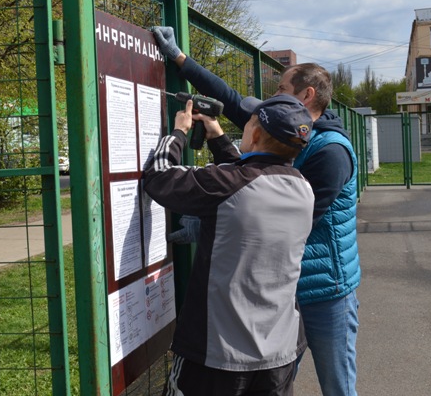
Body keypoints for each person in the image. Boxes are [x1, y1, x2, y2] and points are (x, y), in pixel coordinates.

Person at [152, 26, 361, 396]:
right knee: (268, 373)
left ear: (306, 94)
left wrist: (210, 222)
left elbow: (261, 203)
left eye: (280, 89)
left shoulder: (331, 153)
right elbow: (238, 119)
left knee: (337, 385)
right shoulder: (291, 139)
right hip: (278, 297)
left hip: (325, 291)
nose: (271, 96)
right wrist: (182, 60)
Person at [143, 95, 314, 396]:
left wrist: (179, 133)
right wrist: (217, 136)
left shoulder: (228, 184)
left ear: (256, 134)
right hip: (279, 352)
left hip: (217, 356)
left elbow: (159, 178)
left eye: (248, 122)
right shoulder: (302, 187)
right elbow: (251, 177)